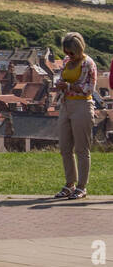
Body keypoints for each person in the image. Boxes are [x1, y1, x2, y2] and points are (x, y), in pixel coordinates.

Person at [44, 33, 96, 199]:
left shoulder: (88, 63)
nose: (68, 56)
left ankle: (81, 186)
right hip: (66, 105)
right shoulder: (67, 62)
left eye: (71, 53)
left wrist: (69, 86)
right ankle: (69, 184)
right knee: (65, 147)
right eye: (66, 52)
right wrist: (60, 85)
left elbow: (90, 88)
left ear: (79, 49)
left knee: (82, 148)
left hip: (82, 105)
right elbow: (62, 78)